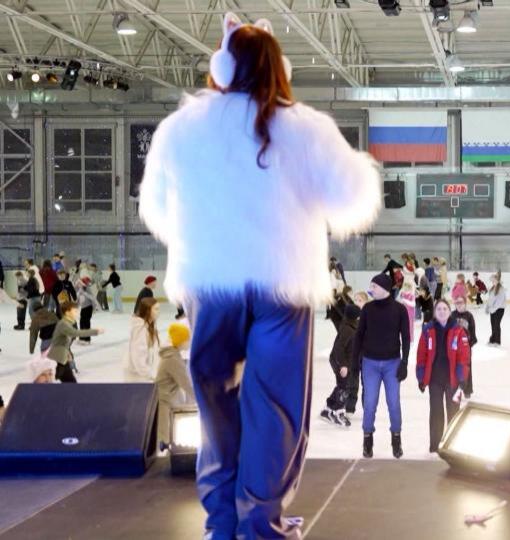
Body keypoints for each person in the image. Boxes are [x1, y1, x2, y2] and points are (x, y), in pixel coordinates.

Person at [138, 13, 382, 539]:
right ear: (279, 68)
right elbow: (354, 198)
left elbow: (157, 210)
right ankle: (260, 524)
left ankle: (221, 524)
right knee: (275, 409)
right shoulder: (305, 127)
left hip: (210, 282)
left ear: (222, 67)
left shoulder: (180, 129)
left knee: (215, 404)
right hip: (282, 284)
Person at [353, 273, 411, 459]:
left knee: (393, 403)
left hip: (392, 363)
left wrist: (404, 362)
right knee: (370, 403)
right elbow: (359, 336)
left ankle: (396, 438)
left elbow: (406, 338)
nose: (370, 289)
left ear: (384, 288)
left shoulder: (399, 309)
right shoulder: (367, 309)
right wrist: (354, 362)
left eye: (374, 286)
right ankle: (367, 438)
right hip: (370, 363)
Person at [416, 299, 471, 453]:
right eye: (439, 309)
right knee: (436, 412)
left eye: (445, 309)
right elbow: (421, 355)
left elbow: (463, 358)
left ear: (449, 311)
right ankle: (435, 446)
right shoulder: (428, 330)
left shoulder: (459, 331)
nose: (442, 311)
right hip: (434, 380)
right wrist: (421, 377)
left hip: (453, 381)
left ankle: (453, 445)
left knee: (453, 412)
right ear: (435, 312)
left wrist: (462, 379)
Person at [320, 304, 361, 428]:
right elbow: (339, 348)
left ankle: (328, 409)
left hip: (344, 362)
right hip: (340, 362)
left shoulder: (351, 326)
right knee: (344, 387)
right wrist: (343, 365)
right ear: (355, 316)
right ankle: (338, 412)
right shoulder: (347, 329)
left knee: (342, 386)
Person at [156, 323, 196, 442]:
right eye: (187, 339)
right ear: (180, 341)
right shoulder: (172, 358)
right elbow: (186, 383)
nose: (189, 342)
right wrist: (201, 400)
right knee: (165, 437)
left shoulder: (173, 354)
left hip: (168, 398)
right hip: (165, 402)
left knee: (168, 435)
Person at [47, 301, 103, 382]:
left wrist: (67, 353)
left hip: (62, 358)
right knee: (58, 380)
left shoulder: (67, 323)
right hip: (57, 359)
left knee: (69, 381)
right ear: (67, 312)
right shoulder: (63, 324)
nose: (77, 313)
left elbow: (61, 341)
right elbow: (76, 333)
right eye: (75, 311)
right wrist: (95, 331)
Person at [124, 298, 162, 382]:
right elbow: (138, 356)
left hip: (143, 374)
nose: (159, 312)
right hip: (137, 376)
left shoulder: (149, 325)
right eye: (156, 309)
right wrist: (151, 375)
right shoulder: (141, 328)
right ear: (147, 311)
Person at [451, 295, 477, 398]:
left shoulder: (469, 316)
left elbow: (473, 334)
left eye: (461, 302)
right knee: (455, 368)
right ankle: (454, 388)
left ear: (465, 303)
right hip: (454, 349)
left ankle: (467, 390)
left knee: (467, 369)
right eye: (457, 303)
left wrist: (468, 346)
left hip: (465, 349)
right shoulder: (452, 315)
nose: (459, 305)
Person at [75, 276, 100, 343]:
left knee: (86, 323)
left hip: (88, 308)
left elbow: (92, 298)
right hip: (83, 308)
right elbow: (78, 299)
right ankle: (82, 338)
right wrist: (76, 307)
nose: (79, 284)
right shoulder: (80, 290)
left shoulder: (87, 289)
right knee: (82, 323)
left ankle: (87, 339)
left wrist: (95, 308)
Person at [485, 273, 507, 347]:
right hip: (492, 310)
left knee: (496, 325)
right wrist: (487, 307)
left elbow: (499, 301)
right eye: (492, 281)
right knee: (493, 325)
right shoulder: (492, 288)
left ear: (498, 280)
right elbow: (490, 299)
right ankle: (492, 340)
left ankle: (497, 341)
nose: (493, 282)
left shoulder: (501, 289)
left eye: (494, 280)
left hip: (499, 309)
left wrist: (493, 309)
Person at [399, 278, 417, 343]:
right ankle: (403, 338)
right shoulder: (402, 294)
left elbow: (413, 304)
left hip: (410, 313)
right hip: (403, 313)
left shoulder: (412, 295)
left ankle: (410, 340)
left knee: (410, 327)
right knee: (403, 326)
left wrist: (405, 301)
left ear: (409, 288)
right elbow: (400, 302)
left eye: (407, 288)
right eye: (404, 288)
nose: (405, 289)